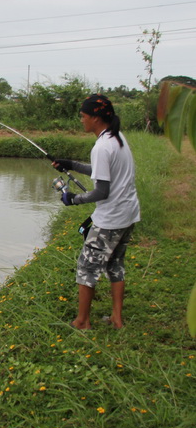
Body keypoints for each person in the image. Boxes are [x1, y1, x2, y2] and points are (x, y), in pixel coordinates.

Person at [52, 94, 140, 329]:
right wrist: (72, 165)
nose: (81, 121)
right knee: (115, 264)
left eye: (83, 116)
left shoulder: (101, 146)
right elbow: (103, 170)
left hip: (110, 218)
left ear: (95, 117)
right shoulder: (117, 137)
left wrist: (73, 199)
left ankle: (82, 321)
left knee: (87, 267)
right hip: (128, 214)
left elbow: (101, 191)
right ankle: (116, 318)